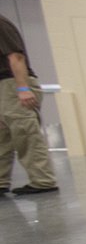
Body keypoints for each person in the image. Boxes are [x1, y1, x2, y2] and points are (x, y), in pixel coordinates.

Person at [0, 14, 58, 195]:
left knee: (25, 133)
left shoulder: (1, 24)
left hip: (13, 83)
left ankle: (43, 180)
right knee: (2, 137)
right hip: (4, 86)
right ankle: (1, 181)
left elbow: (16, 56)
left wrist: (22, 88)